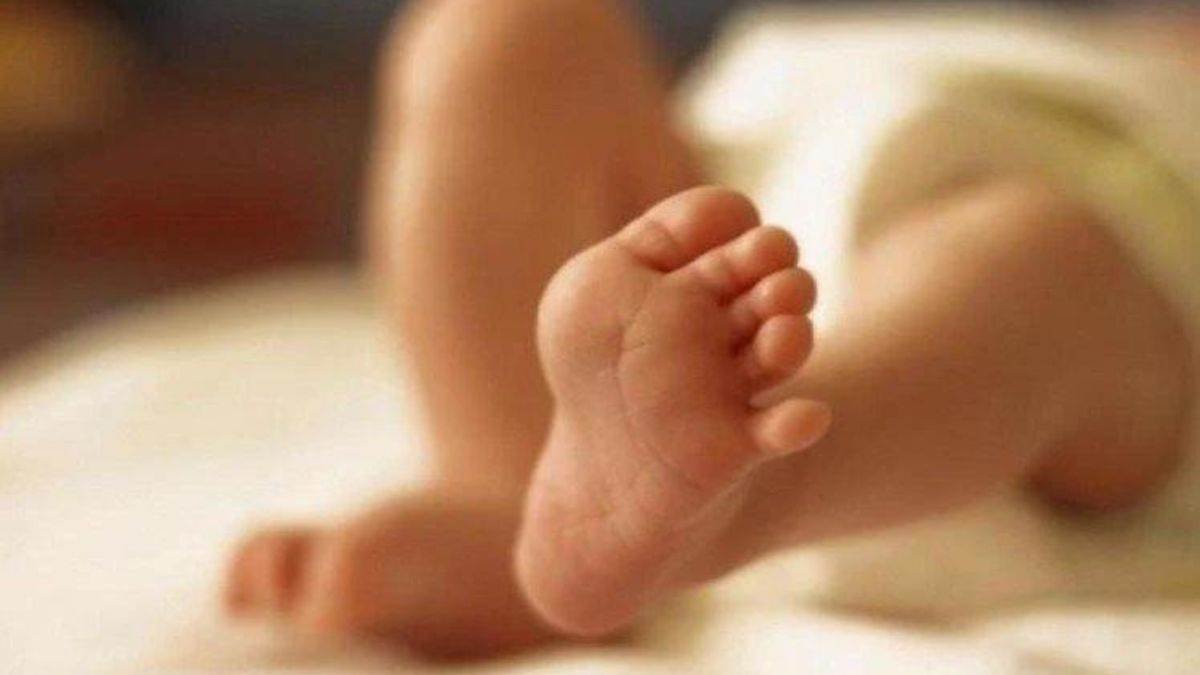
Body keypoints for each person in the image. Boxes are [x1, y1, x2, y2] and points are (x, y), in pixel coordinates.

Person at [222, 0, 1197, 659]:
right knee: (507, 30)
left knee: (1024, 265)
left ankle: (740, 493)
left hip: (1120, 230)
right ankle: (512, 497)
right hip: (771, 159)